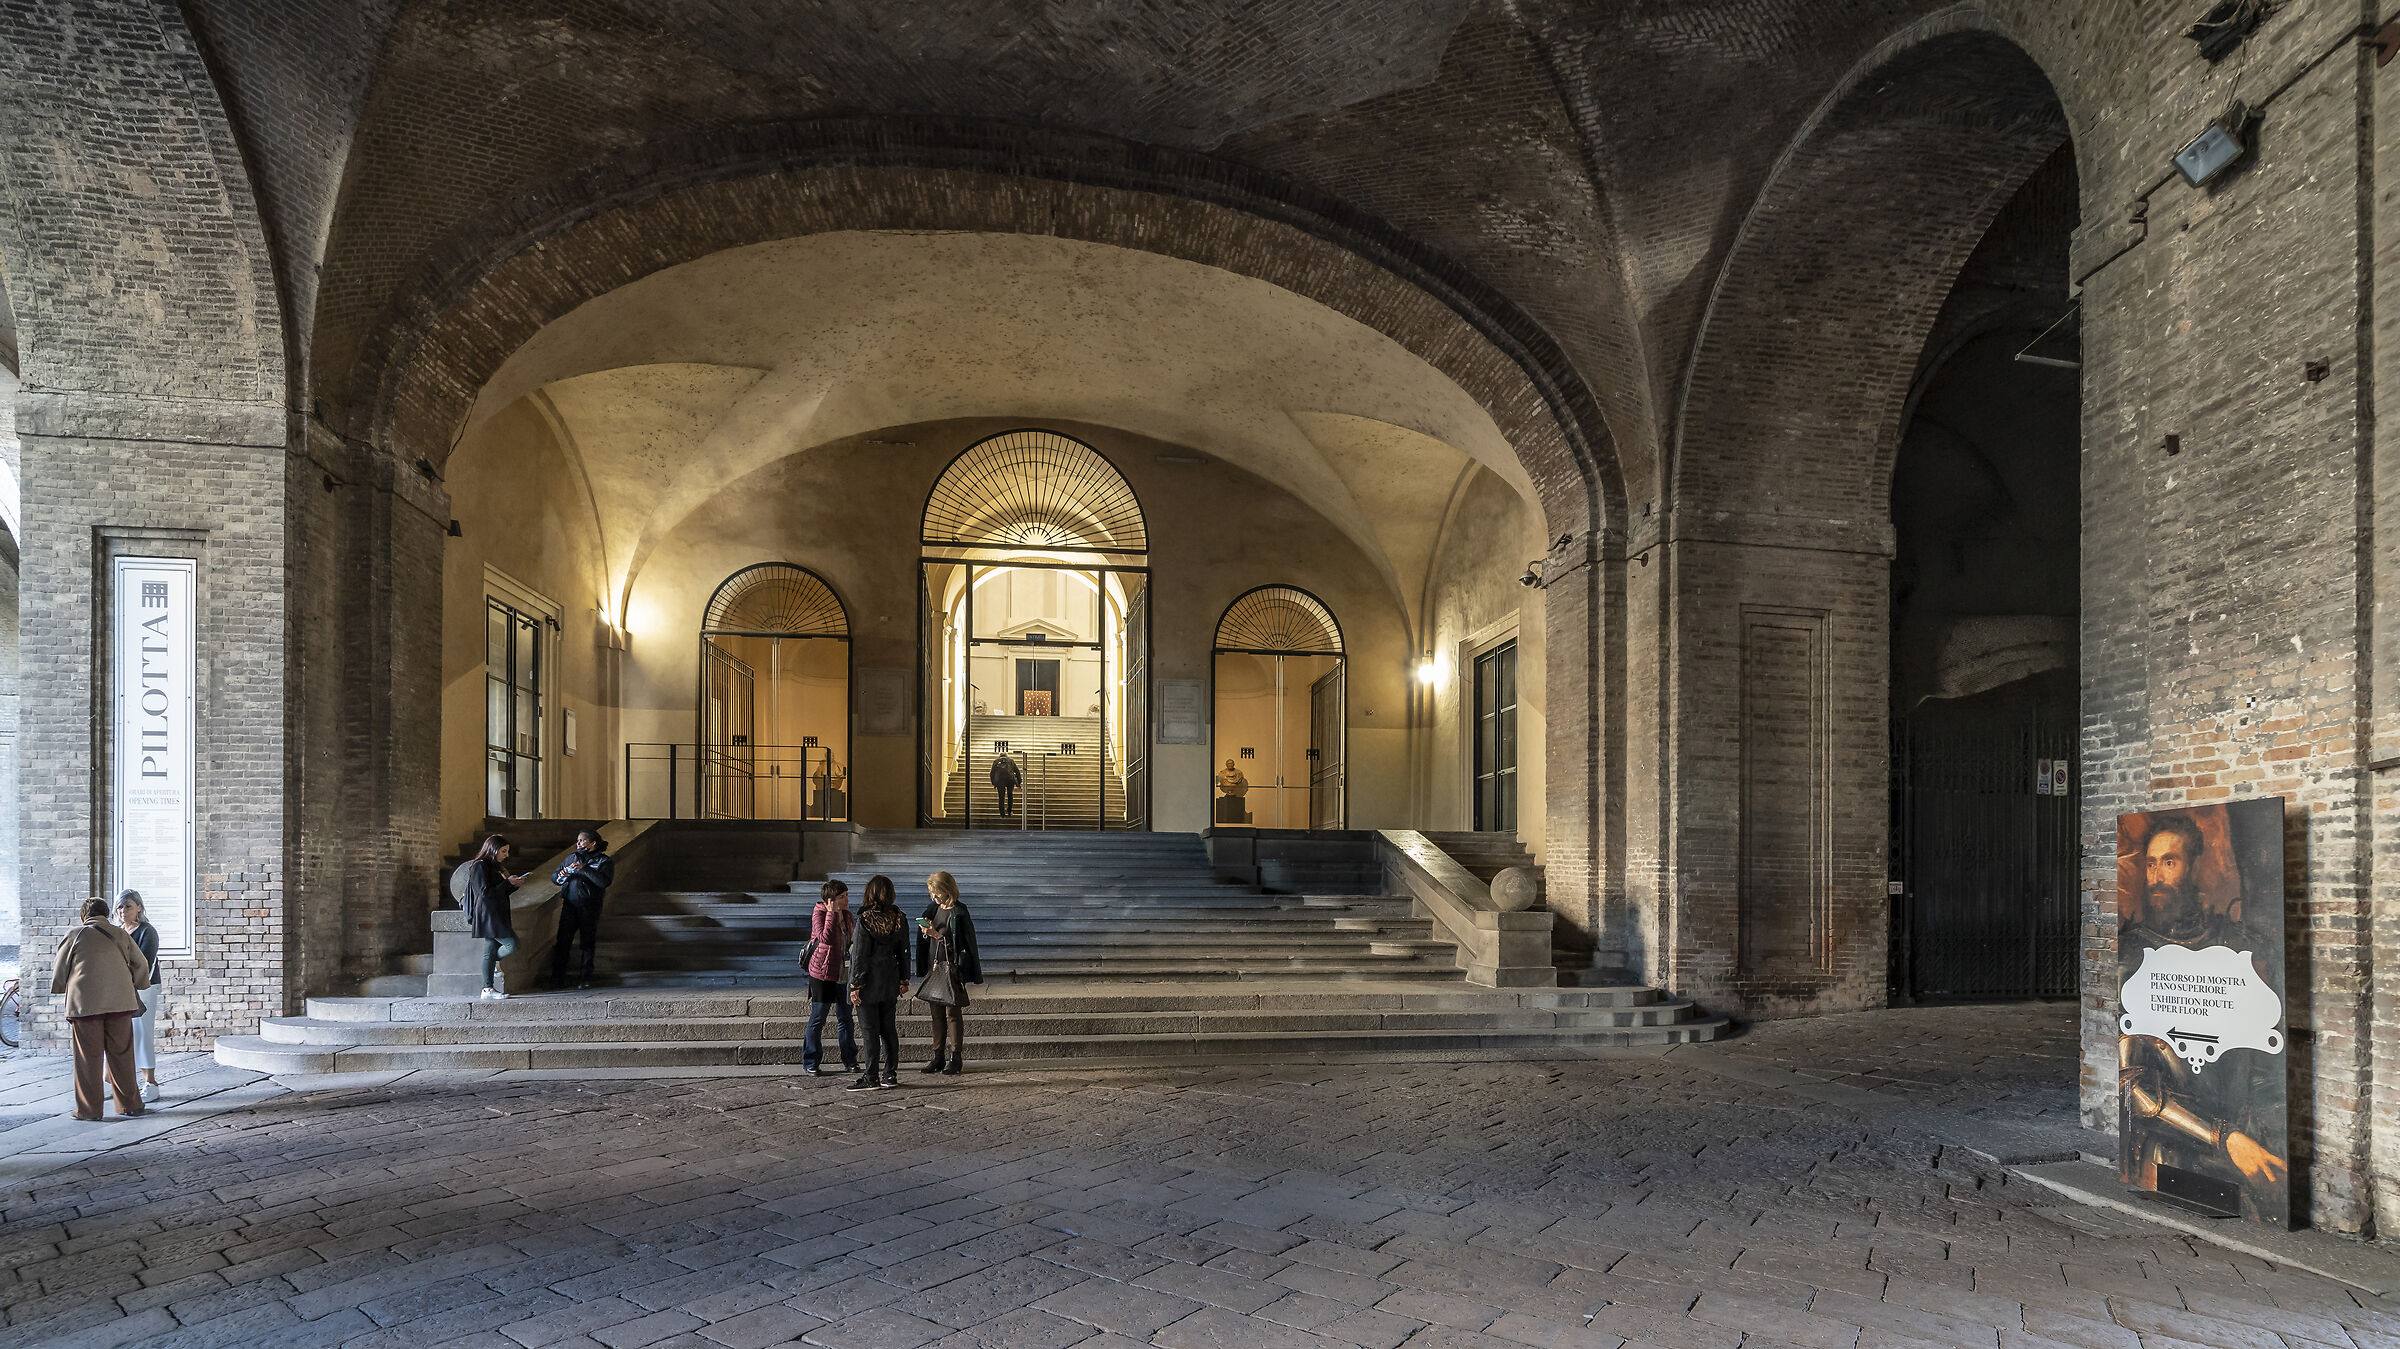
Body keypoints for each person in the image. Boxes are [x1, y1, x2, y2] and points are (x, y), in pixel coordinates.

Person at [51, 898, 150, 1120]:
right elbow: (141, 964)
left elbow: (60, 969)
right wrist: (139, 984)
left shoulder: (75, 935)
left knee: (88, 1058)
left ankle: (89, 1111)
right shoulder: (121, 934)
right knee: (122, 1055)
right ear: (106, 915)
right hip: (120, 1003)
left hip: (85, 1006)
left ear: (83, 916)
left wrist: (60, 987)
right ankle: (131, 1105)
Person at [846, 874, 912, 1091]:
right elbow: (904, 951)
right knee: (888, 1029)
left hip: (868, 982)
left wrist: (855, 985)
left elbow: (860, 955)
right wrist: (904, 978)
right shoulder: (899, 917)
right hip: (890, 979)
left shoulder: (865, 919)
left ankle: (871, 1076)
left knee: (869, 1031)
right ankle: (890, 1074)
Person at [915, 870, 982, 1075]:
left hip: (951, 967)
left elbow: (964, 944)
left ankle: (955, 1056)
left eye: (937, 892)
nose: (934, 897)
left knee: (952, 1013)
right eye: (932, 893)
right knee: (936, 1014)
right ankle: (938, 1056)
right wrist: (926, 933)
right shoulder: (932, 909)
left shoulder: (959, 912)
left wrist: (936, 934)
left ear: (948, 890)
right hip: (934, 965)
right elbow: (926, 941)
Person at [463, 835, 529, 1000]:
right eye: (503, 851)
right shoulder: (479, 866)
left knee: (489, 951)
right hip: (488, 915)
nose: (506, 855)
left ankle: (487, 989)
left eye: (507, 851)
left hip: (496, 914)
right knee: (512, 944)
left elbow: (498, 891)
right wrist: (507, 883)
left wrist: (513, 885)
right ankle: (490, 970)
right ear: (493, 850)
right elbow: (484, 893)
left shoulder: (493, 867)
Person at [803, 880, 858, 1076]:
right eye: (842, 897)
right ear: (830, 900)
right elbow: (824, 938)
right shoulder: (819, 913)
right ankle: (811, 1061)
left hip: (844, 973)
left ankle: (850, 1060)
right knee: (818, 1018)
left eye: (847, 895)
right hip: (823, 973)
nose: (846, 900)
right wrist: (831, 913)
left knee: (846, 1019)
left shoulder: (849, 915)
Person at [549, 829, 616, 989]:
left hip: (590, 906)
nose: (578, 843)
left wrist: (584, 869)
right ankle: (558, 979)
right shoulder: (572, 857)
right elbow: (554, 877)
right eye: (578, 840)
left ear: (592, 843)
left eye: (581, 840)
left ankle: (586, 978)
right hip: (569, 905)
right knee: (563, 942)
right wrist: (562, 875)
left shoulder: (604, 861)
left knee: (587, 943)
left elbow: (603, 881)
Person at [114, 891, 163, 1103]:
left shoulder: (147, 931)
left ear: (139, 908)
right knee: (123, 1036)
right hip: (121, 988)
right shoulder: (117, 931)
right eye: (120, 907)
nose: (123, 911)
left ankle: (150, 1083)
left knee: (143, 1033)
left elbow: (145, 963)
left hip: (144, 988)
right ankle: (123, 1083)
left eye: (128, 907)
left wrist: (128, 979)